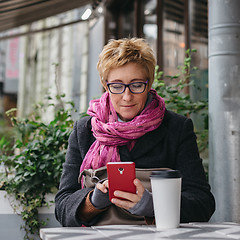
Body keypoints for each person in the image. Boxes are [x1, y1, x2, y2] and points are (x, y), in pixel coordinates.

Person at [55, 38, 215, 227]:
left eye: (137, 85)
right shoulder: (84, 131)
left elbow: (203, 202)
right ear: (105, 85)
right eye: (117, 86)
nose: (127, 96)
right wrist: (93, 201)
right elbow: (62, 206)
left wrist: (154, 206)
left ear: (149, 83)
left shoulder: (176, 128)